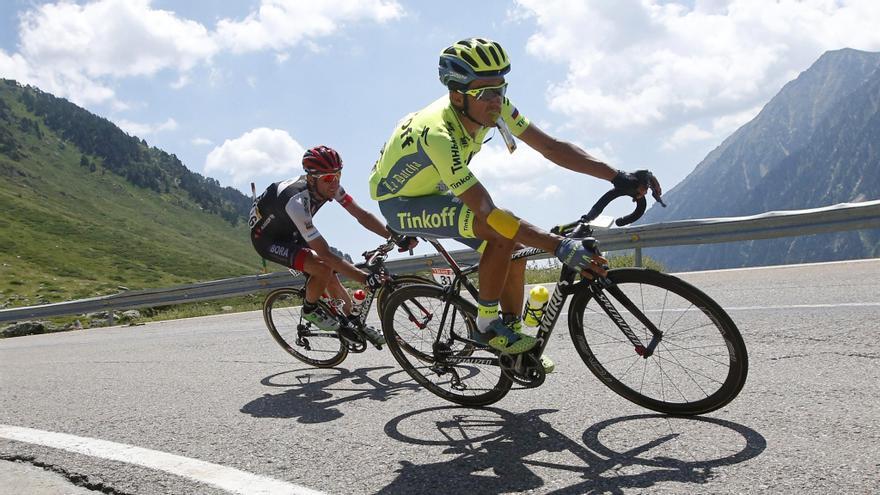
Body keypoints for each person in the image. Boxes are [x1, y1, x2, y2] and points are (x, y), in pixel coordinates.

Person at [368, 38, 660, 369]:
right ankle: (486, 325)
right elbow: (488, 213)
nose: (496, 102)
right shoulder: (438, 134)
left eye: (500, 89)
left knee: (516, 248)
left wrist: (617, 176)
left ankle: (513, 336)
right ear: (457, 95)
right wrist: (558, 245)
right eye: (485, 94)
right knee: (500, 229)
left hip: (433, 189)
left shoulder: (494, 106)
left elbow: (551, 147)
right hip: (401, 203)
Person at [250, 145, 417, 347]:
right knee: (323, 266)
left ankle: (355, 324)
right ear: (311, 179)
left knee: (332, 279)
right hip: (268, 239)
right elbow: (325, 254)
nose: (334, 183)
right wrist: (364, 278)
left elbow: (361, 215)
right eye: (328, 178)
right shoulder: (296, 200)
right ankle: (310, 309)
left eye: (338, 175)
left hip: (293, 229)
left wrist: (395, 236)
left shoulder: (331, 186)